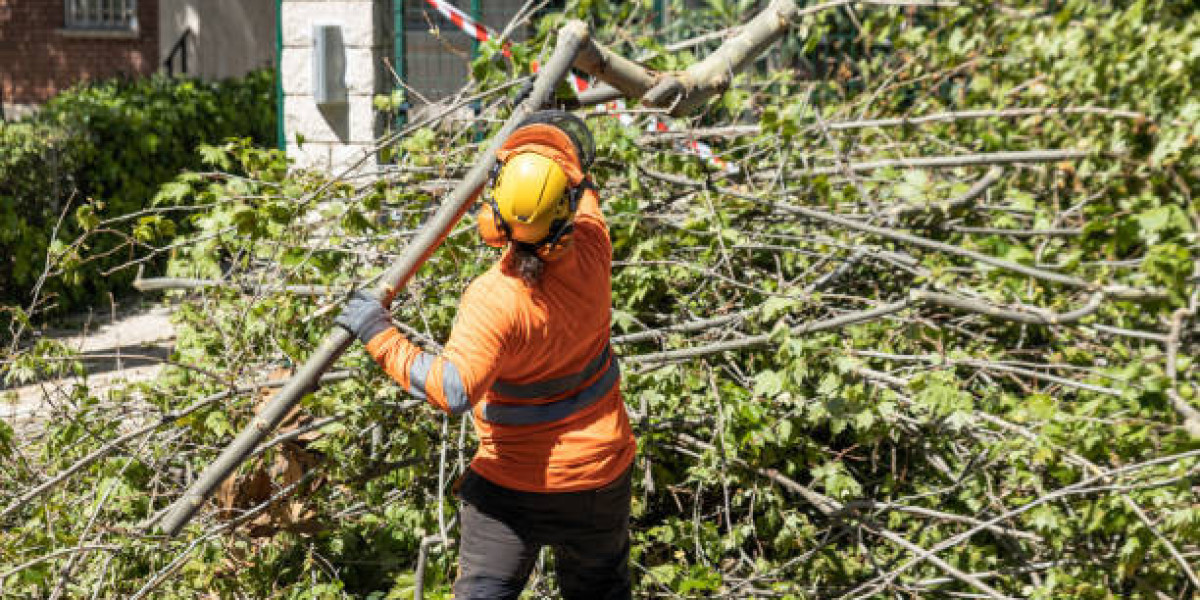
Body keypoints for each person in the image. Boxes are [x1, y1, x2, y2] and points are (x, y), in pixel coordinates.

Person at [336, 110, 636, 599]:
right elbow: (580, 182)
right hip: (600, 480)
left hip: (513, 491)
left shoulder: (495, 299)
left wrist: (378, 334)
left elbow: (451, 388)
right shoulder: (593, 246)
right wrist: (541, 130)